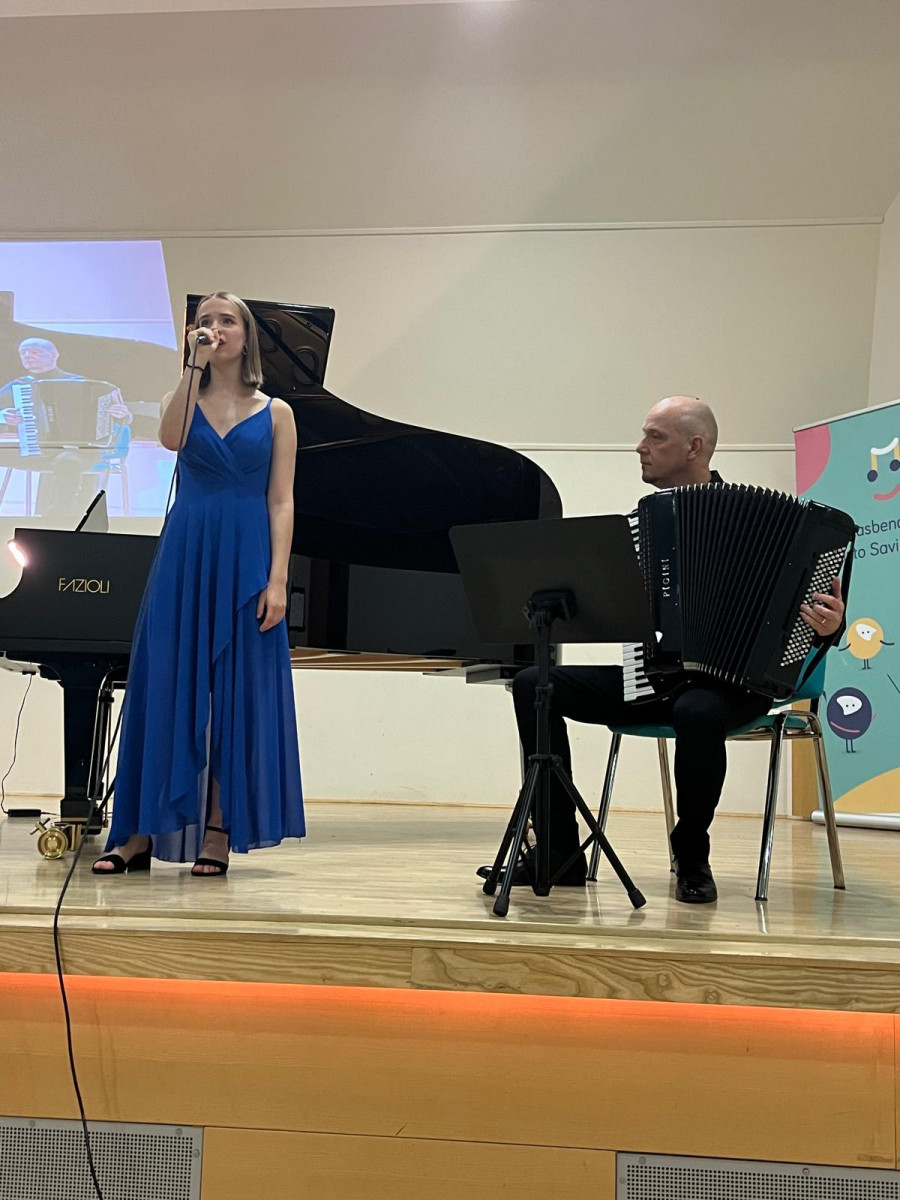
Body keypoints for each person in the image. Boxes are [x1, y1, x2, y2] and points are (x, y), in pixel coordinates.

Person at [484, 396, 845, 904]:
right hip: (655, 679)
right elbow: (625, 613)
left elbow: (818, 617)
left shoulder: (792, 529)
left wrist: (829, 627)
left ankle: (692, 855)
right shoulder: (648, 523)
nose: (640, 447)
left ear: (694, 447)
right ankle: (559, 852)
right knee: (532, 685)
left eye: (655, 437)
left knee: (697, 710)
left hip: (736, 688)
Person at [93, 292, 305, 877]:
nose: (213, 328)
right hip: (185, 555)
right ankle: (137, 830)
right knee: (163, 684)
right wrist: (192, 367)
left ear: (247, 336)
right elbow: (170, 439)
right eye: (204, 321)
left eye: (225, 320)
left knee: (235, 695)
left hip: (247, 558)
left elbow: (281, 500)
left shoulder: (277, 413)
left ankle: (218, 827)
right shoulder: (181, 398)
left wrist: (279, 579)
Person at [0, 338, 132, 520]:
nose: (28, 356)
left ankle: (58, 517)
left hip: (78, 451)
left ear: (55, 355)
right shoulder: (18, 385)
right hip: (35, 449)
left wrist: (122, 414)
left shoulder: (86, 385)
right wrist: (3, 415)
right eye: (23, 353)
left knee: (67, 461)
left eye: (35, 352)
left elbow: (125, 419)